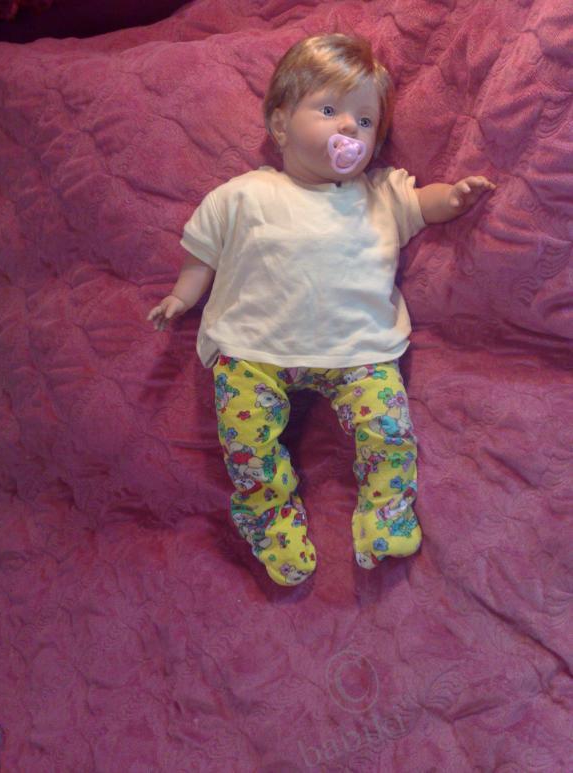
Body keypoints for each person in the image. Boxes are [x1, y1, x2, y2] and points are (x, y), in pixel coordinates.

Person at [147, 34, 496, 587]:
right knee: (247, 447)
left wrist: (452, 197)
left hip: (359, 353)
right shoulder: (243, 195)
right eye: (330, 111)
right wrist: (182, 296)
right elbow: (203, 253)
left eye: (365, 121)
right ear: (281, 124)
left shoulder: (378, 194)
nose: (348, 128)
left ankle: (386, 513)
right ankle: (270, 520)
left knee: (389, 433)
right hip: (253, 351)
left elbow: (421, 202)